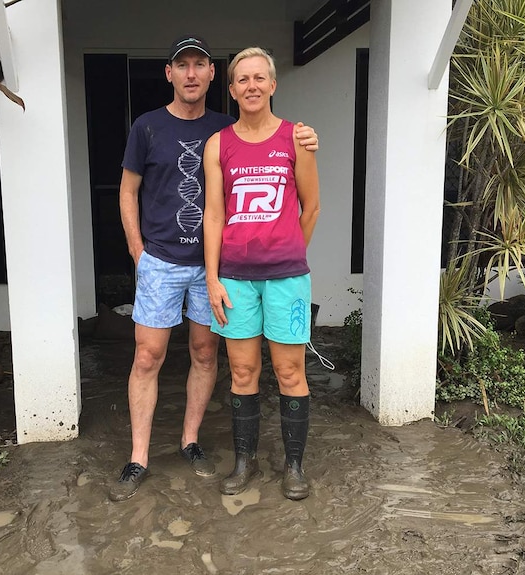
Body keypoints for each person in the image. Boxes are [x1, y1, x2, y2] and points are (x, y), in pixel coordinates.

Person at [110, 36, 319, 502]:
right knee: (149, 356)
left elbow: (305, 198)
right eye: (181, 65)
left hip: (228, 270)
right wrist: (137, 252)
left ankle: (191, 442)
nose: (190, 73)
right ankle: (139, 457)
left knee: (208, 354)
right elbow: (131, 192)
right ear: (169, 73)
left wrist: (286, 253)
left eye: (199, 65)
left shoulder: (232, 127)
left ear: (210, 76)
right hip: (168, 263)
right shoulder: (149, 127)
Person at [202, 47, 320, 501]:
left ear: (273, 84)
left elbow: (311, 206)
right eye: (242, 79)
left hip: (287, 277)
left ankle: (293, 466)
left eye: (259, 78)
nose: (251, 86)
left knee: (291, 373)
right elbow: (214, 215)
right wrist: (212, 277)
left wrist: (287, 248)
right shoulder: (219, 144)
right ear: (231, 90)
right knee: (242, 370)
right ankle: (244, 462)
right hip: (233, 278)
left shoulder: (296, 139)